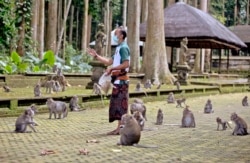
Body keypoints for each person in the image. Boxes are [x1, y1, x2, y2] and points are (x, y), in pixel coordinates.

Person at [87, 27, 130, 135]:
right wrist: (97, 56)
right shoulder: (118, 48)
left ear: (122, 35)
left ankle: (121, 128)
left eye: (117, 33)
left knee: (121, 105)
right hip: (116, 80)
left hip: (122, 80)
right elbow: (109, 61)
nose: (115, 34)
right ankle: (119, 128)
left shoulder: (124, 47)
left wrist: (113, 69)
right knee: (116, 105)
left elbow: (126, 64)